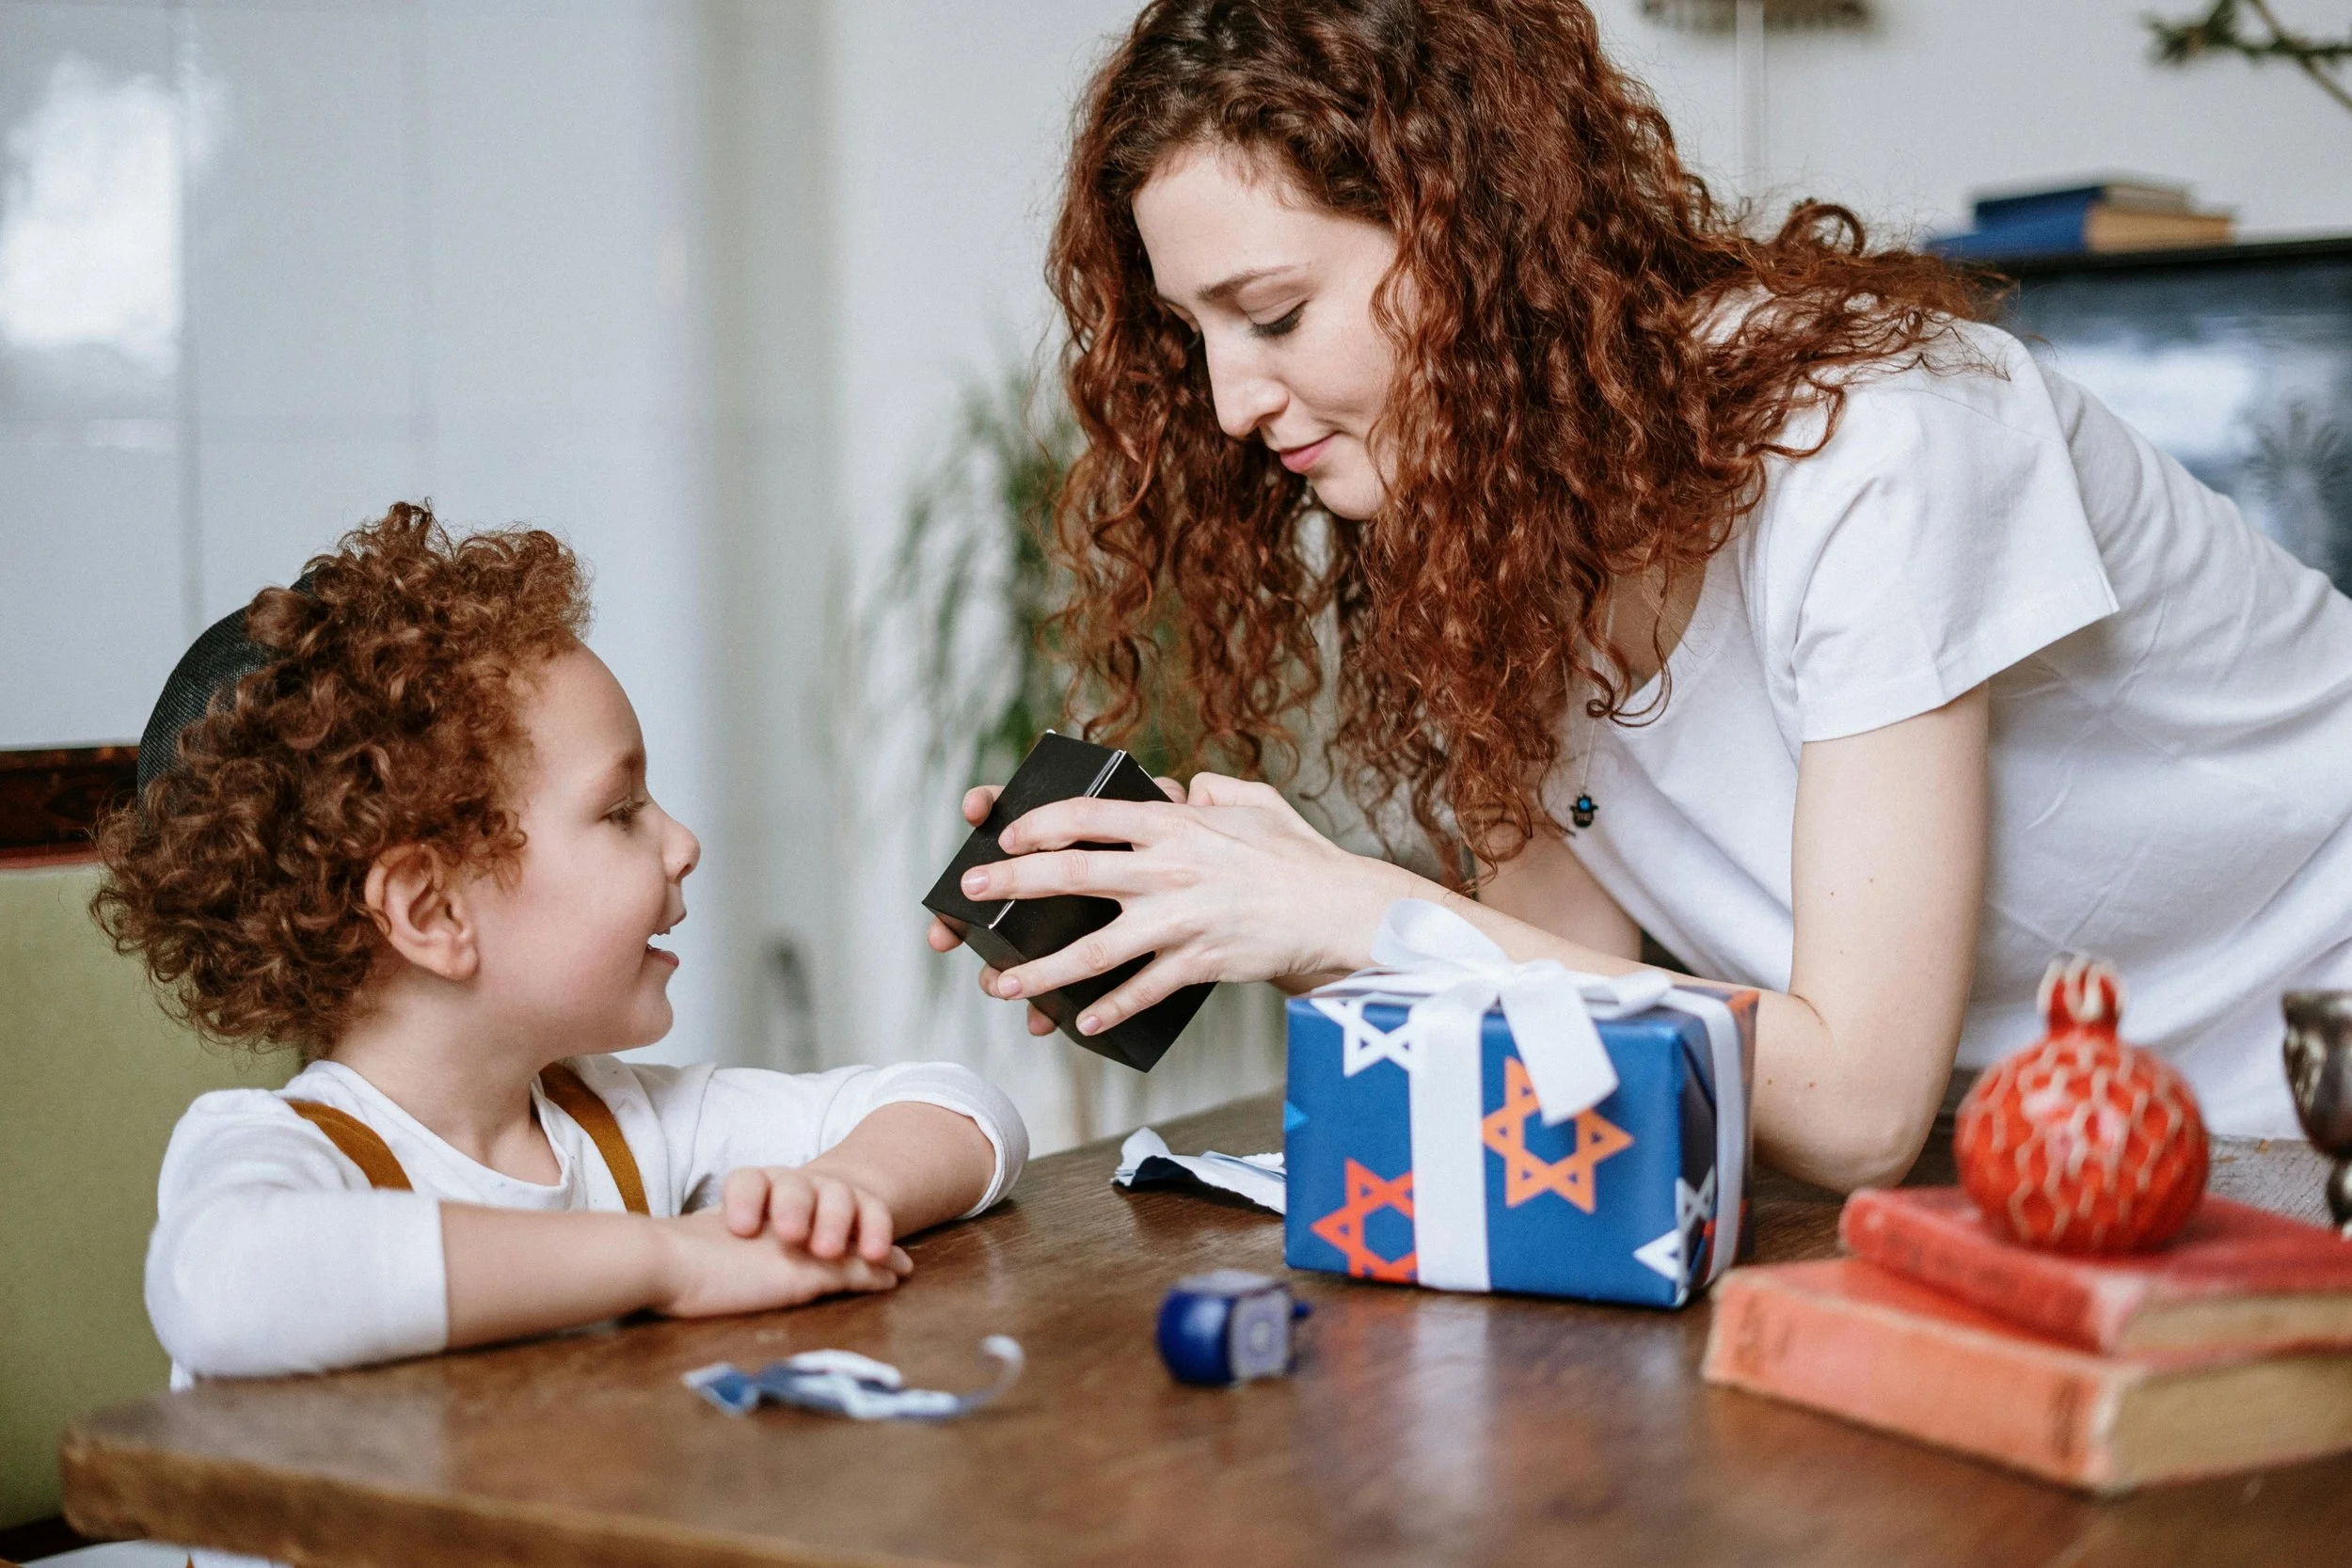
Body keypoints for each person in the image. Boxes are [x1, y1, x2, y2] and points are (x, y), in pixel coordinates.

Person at [930, 0, 2352, 1188]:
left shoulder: (1886, 441)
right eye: (1197, 335)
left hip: (2299, 1087)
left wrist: (1349, 907)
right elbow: (1558, 994)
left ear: (1466, 236)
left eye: (1277, 313)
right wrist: (1225, 900)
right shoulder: (1486, 520)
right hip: (2067, 1151)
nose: (1233, 399)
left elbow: (1856, 1098)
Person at [103, 503, 1026, 1386]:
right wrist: (671, 1259)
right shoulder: (286, 1152)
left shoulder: (621, 1122)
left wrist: (839, 1190)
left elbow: (964, 1110)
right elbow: (226, 1288)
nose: (683, 842)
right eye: (621, 812)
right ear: (430, 911)